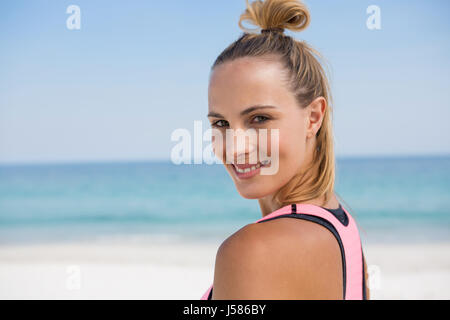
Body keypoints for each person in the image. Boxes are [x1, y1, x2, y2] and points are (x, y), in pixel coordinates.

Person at [202, 0, 369, 300]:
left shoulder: (250, 252)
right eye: (222, 123)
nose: (235, 146)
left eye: (259, 118)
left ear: (313, 117)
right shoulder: (342, 226)